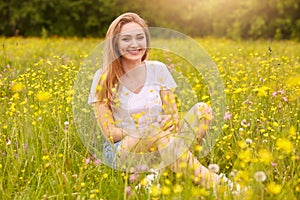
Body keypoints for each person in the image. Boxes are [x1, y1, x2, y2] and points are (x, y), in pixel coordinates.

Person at [88, 12, 220, 187]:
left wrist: (168, 121)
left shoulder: (158, 69)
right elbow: (110, 134)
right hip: (123, 148)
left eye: (140, 37)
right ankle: (219, 185)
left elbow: (173, 118)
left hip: (161, 138)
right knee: (156, 134)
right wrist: (146, 129)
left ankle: (161, 169)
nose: (135, 44)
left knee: (202, 111)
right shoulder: (103, 77)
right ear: (115, 44)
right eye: (126, 39)